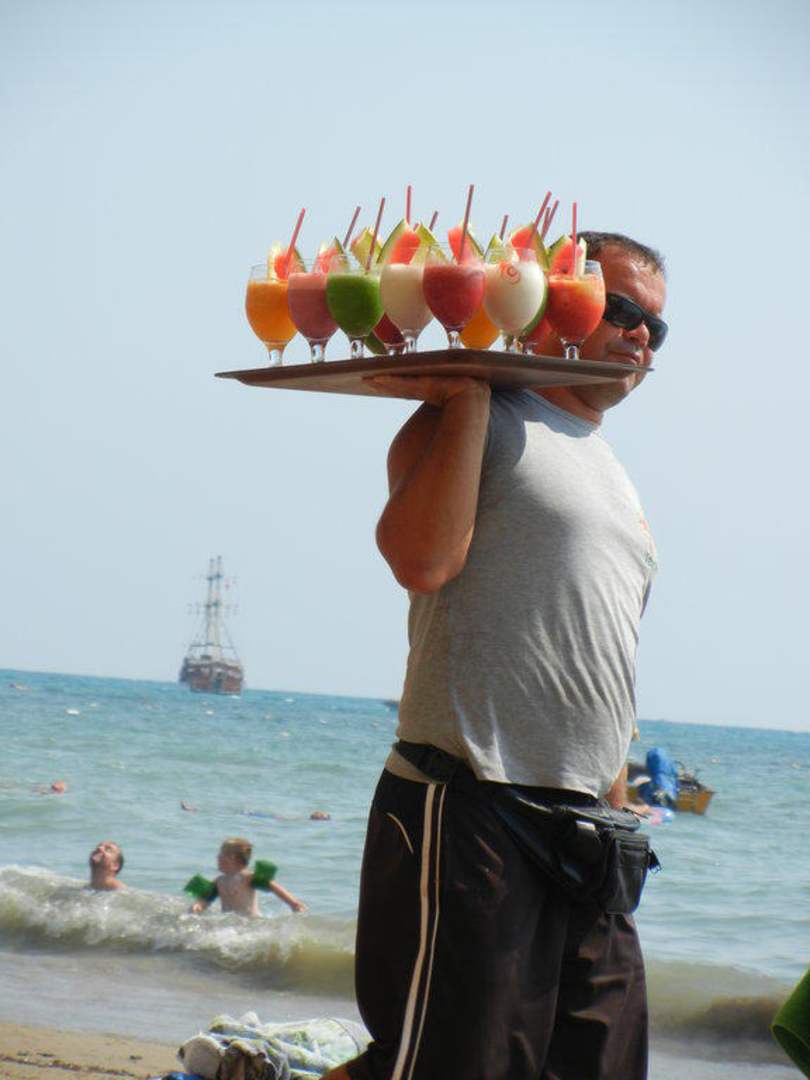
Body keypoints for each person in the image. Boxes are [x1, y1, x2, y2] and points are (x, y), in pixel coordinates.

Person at [323, 232, 668, 1080]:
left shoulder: (611, 470)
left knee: (601, 1063)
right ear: (559, 302)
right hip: (471, 802)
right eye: (622, 309)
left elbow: (601, 657)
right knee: (453, 1066)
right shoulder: (479, 418)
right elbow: (420, 560)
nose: (640, 335)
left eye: (656, 327)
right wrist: (473, 391)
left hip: (588, 826)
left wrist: (615, 799)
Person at [187, 836, 307, 917]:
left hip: (251, 923)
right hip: (231, 925)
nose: (217, 857)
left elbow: (272, 886)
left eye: (221, 854)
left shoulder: (247, 877)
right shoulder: (219, 881)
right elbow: (207, 898)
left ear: (232, 857)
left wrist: (294, 903)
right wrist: (198, 906)